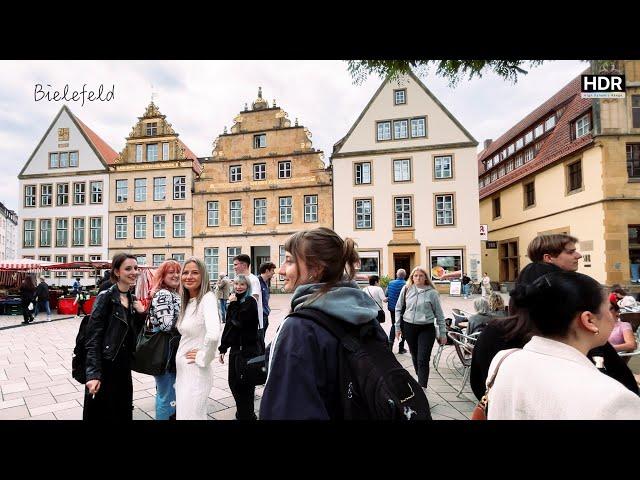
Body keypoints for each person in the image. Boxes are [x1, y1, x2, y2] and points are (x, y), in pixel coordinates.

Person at [470, 233, 639, 400]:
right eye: (570, 251)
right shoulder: (574, 338)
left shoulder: (499, 335)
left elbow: (482, 388)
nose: (578, 255)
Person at [259, 227, 385, 419]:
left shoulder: (299, 328)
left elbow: (288, 408)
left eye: (290, 261)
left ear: (316, 269)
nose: (282, 270)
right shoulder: (365, 312)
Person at [487, 271, 640, 419]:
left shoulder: (505, 359)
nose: (615, 315)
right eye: (609, 308)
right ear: (589, 320)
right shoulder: (613, 399)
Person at [83, 253, 146, 421]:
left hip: (123, 367)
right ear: (117, 272)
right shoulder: (106, 297)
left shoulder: (132, 299)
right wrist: (93, 374)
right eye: (128, 268)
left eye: (135, 268)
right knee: (103, 413)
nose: (134, 272)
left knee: (122, 410)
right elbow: (92, 338)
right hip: (106, 366)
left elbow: (135, 334)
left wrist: (141, 314)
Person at [174, 257, 220, 420]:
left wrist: (203, 356)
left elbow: (214, 334)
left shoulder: (207, 299)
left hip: (196, 373)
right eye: (185, 272)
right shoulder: (188, 301)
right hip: (184, 372)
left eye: (195, 272)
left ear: (203, 276)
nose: (188, 276)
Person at [394, 266, 447, 389]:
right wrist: (397, 327)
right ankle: (420, 378)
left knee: (423, 358)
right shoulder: (407, 289)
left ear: (426, 278)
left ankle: (422, 387)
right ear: (412, 277)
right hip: (409, 327)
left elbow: (439, 314)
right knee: (414, 355)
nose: (418, 278)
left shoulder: (432, 293)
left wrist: (443, 333)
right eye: (415, 275)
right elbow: (398, 308)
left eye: (421, 275)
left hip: (426, 329)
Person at [218, 275, 260, 420]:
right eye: (236, 284)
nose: (238, 287)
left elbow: (239, 322)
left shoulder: (249, 301)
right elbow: (229, 326)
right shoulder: (235, 300)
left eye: (242, 284)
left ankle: (247, 415)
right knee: (233, 383)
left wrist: (233, 304)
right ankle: (243, 413)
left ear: (247, 286)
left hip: (247, 350)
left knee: (245, 386)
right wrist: (223, 348)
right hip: (236, 349)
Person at [147, 260, 182, 420]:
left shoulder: (174, 292)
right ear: (162, 276)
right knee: (167, 395)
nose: (176, 275)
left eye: (177, 272)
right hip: (166, 352)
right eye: (171, 272)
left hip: (172, 350)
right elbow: (166, 324)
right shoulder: (163, 294)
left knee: (170, 393)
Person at [232, 254, 263, 331]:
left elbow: (254, 299)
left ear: (244, 265)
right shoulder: (239, 279)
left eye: (236, 265)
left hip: (253, 325)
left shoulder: (253, 280)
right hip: (243, 323)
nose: (234, 267)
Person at [387, 269, 407, 354]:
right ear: (405, 275)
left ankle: (390, 345)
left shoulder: (391, 283)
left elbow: (386, 294)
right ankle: (401, 348)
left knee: (394, 324)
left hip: (392, 308)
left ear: (396, 274)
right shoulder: (407, 284)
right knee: (404, 327)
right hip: (403, 309)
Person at [258, 262, 276, 336]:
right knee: (260, 338)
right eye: (272, 270)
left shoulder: (265, 282)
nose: (274, 272)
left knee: (262, 337)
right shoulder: (257, 282)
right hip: (260, 315)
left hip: (265, 314)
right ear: (267, 271)